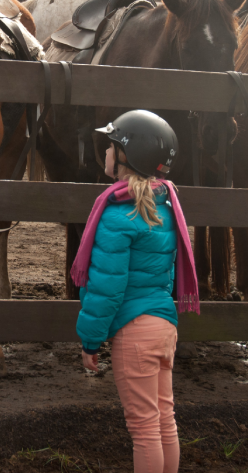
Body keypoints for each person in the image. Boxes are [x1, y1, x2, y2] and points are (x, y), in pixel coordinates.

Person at [72, 110, 199, 473]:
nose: (106, 153)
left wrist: (90, 342)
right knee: (164, 420)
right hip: (164, 326)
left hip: (134, 332)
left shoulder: (117, 216)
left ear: (127, 157)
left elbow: (106, 289)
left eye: (112, 146)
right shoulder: (166, 206)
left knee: (144, 430)